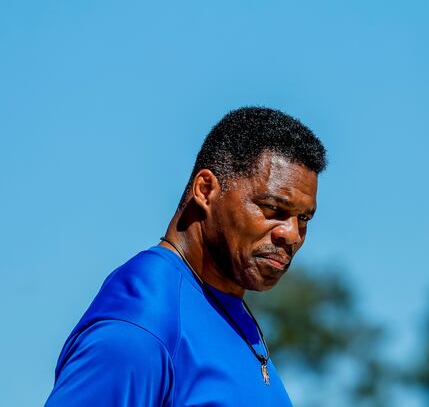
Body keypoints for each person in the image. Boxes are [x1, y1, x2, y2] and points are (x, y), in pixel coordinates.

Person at [45, 106, 327, 406]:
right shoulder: (142, 326)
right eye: (273, 209)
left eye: (304, 219)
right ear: (205, 190)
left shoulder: (232, 316)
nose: (292, 234)